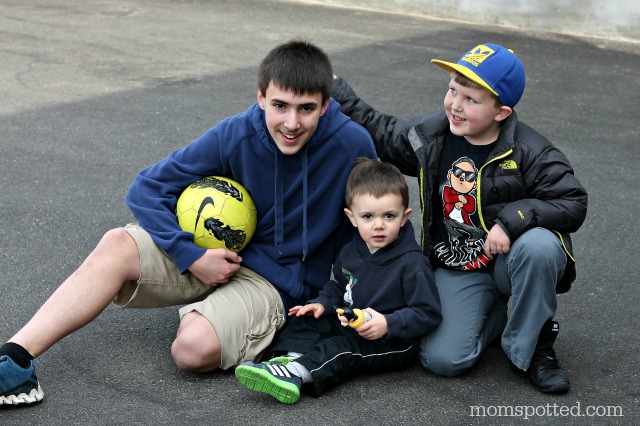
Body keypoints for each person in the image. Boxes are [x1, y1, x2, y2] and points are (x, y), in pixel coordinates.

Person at [0, 39, 377, 406]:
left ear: (326, 105)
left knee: (191, 350)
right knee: (117, 243)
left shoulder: (352, 144)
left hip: (276, 282)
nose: (291, 122)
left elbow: (368, 228)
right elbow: (147, 187)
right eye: (280, 105)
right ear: (261, 97)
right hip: (212, 254)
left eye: (306, 109)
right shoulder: (238, 133)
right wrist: (191, 254)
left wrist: (365, 301)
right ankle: (15, 358)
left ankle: (219, 317)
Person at [331, 43, 588, 393]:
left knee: (540, 247)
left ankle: (533, 345)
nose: (455, 104)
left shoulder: (531, 150)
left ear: (501, 112)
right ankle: (495, 317)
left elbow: (572, 201)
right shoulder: (433, 134)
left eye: (471, 99)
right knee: (443, 360)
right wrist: (335, 88)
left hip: (511, 262)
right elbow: (383, 131)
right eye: (453, 90)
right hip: (460, 265)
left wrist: (512, 219)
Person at [234, 157, 442, 404]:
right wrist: (323, 303)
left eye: (389, 216)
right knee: (307, 319)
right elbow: (340, 286)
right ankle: (289, 359)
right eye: (367, 216)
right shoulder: (351, 251)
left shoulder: (412, 264)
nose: (378, 225)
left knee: (341, 348)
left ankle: (297, 374)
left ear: (405, 216)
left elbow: (428, 313)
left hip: (392, 340)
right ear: (351, 217)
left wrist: (388, 323)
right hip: (353, 319)